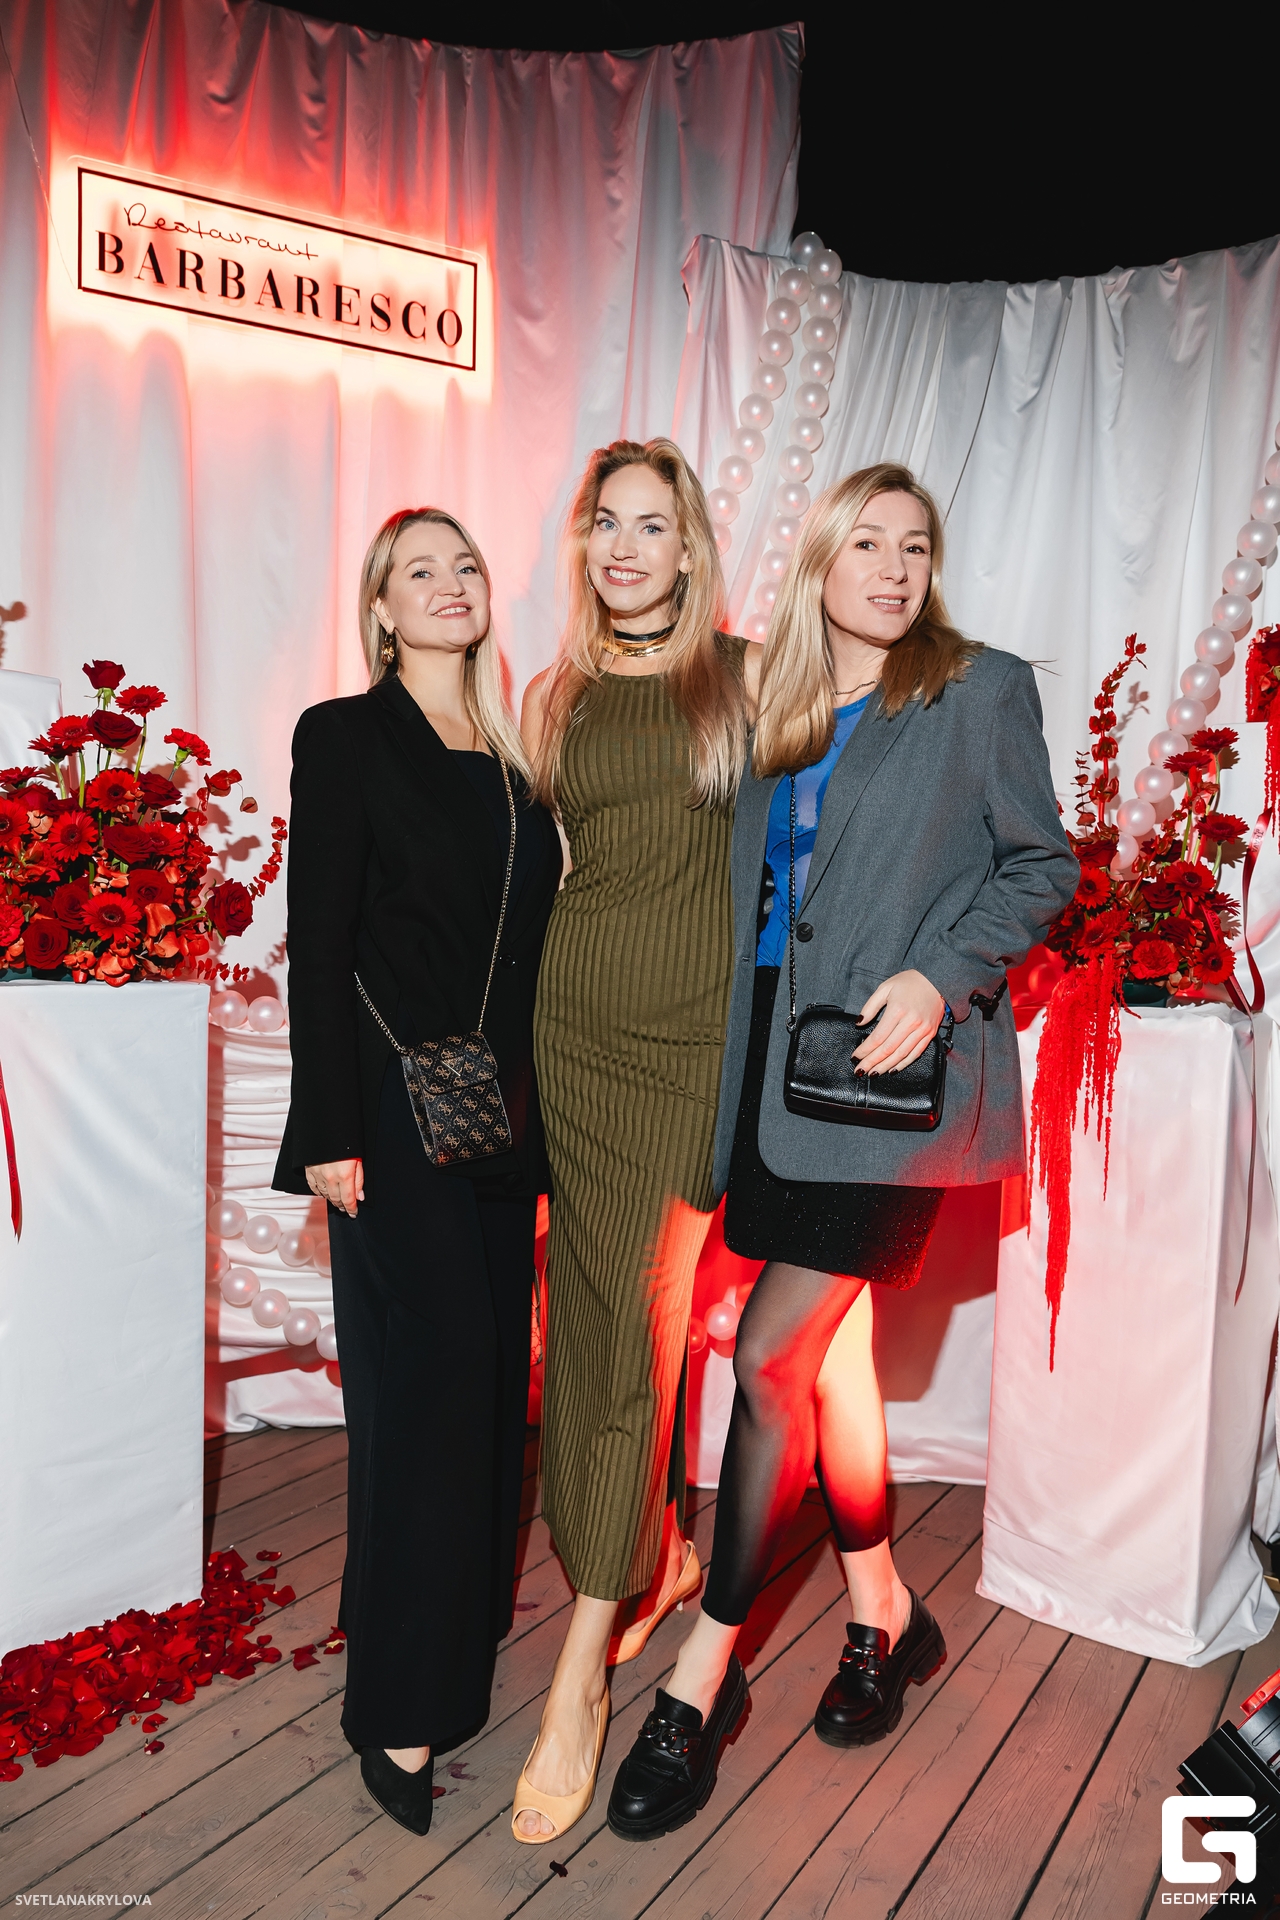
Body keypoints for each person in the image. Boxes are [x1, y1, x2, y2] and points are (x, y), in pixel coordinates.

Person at [606, 461, 1078, 1840]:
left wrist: (944, 973)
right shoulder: (779, 700)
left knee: (766, 1358)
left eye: (914, 547)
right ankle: (884, 1612)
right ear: (818, 561)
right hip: (770, 1072)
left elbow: (1041, 865)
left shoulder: (976, 690)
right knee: (834, 1358)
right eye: (865, 543)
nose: (893, 568)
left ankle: (705, 1677)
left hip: (880, 1082)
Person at [274, 507, 562, 1837]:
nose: (451, 586)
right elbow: (320, 938)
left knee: (486, 1389)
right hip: (389, 1117)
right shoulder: (344, 735)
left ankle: (450, 1644)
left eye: (466, 566)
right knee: (432, 1388)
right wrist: (328, 1131)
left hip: (498, 1119)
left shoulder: (515, 764)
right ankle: (395, 1699)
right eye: (419, 572)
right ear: (382, 612)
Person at [511, 438, 758, 1844]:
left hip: (689, 1054)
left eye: (651, 526)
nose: (624, 547)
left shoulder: (744, 680)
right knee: (589, 1317)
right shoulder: (554, 698)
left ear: (690, 546)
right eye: (606, 522)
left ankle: (579, 1668)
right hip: (575, 1034)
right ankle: (640, 1563)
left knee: (641, 1319)